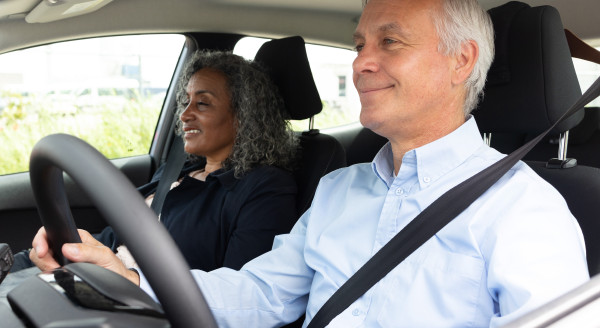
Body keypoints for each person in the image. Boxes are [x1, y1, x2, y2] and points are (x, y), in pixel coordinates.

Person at [30, 0, 590, 327]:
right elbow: (261, 295)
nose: (361, 62)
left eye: (390, 42)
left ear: (460, 61)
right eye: (359, 43)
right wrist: (127, 277)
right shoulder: (340, 189)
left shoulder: (524, 213)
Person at [18, 50, 299, 273]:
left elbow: (241, 294)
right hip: (103, 282)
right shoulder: (178, 170)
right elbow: (119, 240)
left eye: (202, 103)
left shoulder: (265, 188)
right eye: (186, 101)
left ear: (242, 116)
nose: (185, 114)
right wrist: (66, 247)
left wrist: (124, 278)